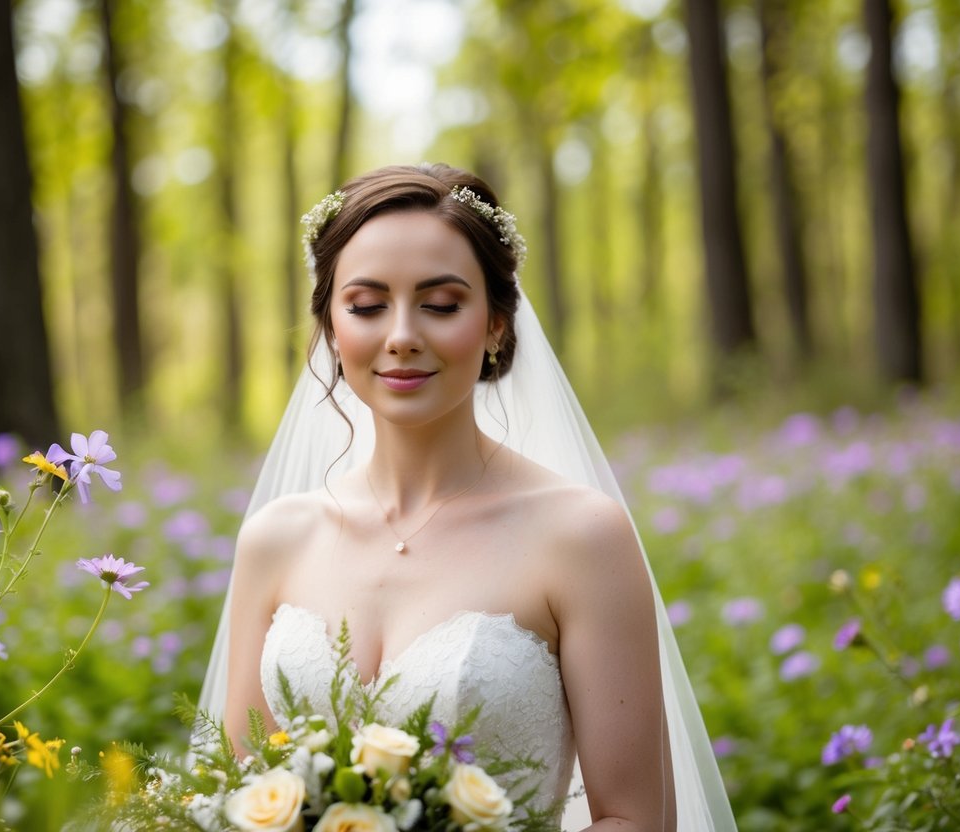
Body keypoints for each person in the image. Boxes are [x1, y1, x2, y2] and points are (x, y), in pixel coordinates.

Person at [196, 164, 735, 831]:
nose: (400, 335)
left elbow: (635, 819)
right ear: (333, 329)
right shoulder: (275, 538)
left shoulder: (581, 536)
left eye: (441, 303)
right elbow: (235, 794)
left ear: (496, 325)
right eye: (366, 306)